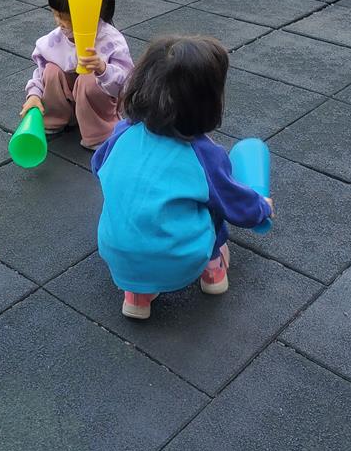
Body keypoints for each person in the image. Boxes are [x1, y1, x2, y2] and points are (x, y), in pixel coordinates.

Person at [91, 37, 274, 320]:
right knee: (212, 204)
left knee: (131, 198)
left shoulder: (122, 133)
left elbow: (97, 166)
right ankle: (213, 270)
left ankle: (137, 297)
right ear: (208, 103)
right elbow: (233, 202)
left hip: (116, 253)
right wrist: (261, 207)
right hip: (180, 260)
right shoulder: (203, 153)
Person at [19, 0, 133, 150]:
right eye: (55, 14)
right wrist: (34, 95)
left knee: (88, 79)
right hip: (72, 100)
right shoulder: (56, 39)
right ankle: (56, 118)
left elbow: (127, 84)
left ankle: (99, 133)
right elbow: (41, 72)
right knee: (51, 70)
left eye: (65, 18)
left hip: (100, 104)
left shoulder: (111, 41)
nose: (58, 21)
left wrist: (103, 69)